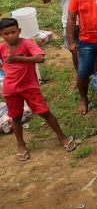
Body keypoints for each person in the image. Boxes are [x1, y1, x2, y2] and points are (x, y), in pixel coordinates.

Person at [0, 18, 76, 161]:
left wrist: (17, 59)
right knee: (15, 117)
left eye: (13, 32)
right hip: (11, 89)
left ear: (19, 31)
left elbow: (40, 58)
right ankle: (21, 145)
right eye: (6, 34)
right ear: (1, 34)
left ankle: (62, 137)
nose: (10, 36)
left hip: (30, 87)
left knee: (44, 112)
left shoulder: (27, 44)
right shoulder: (2, 48)